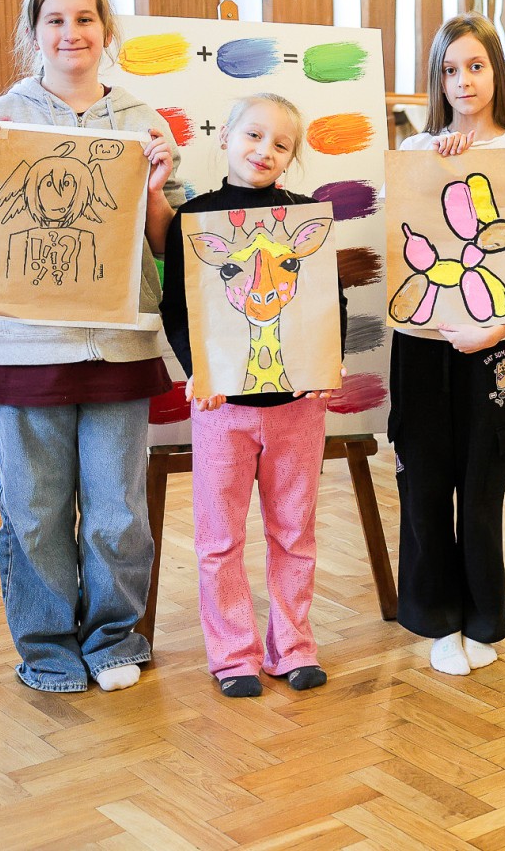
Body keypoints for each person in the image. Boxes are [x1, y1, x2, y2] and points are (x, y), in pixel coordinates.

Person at [0, 0, 180, 693]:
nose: (71, 33)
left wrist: (161, 189)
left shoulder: (143, 121)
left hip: (118, 341)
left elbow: (168, 248)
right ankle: (46, 649)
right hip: (26, 346)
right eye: (55, 20)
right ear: (33, 33)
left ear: (107, 30)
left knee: (116, 508)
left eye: (84, 19)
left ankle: (113, 640)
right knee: (35, 511)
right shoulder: (2, 120)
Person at [389, 14, 505, 676]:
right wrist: (431, 168)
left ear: (498, 71)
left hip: (493, 348)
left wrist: (500, 327)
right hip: (422, 348)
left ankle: (483, 617)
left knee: (484, 482)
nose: (462, 81)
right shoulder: (412, 155)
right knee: (427, 483)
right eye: (448, 69)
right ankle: (438, 622)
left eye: (475, 66)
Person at [158, 93, 345, 698]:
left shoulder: (305, 219)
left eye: (281, 144)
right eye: (253, 136)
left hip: (297, 408)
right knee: (219, 536)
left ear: (292, 158)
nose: (264, 151)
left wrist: (324, 363)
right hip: (222, 409)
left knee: (295, 532)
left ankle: (292, 647)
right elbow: (178, 308)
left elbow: (326, 304)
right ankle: (231, 654)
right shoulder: (196, 220)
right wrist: (198, 370)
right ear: (226, 138)